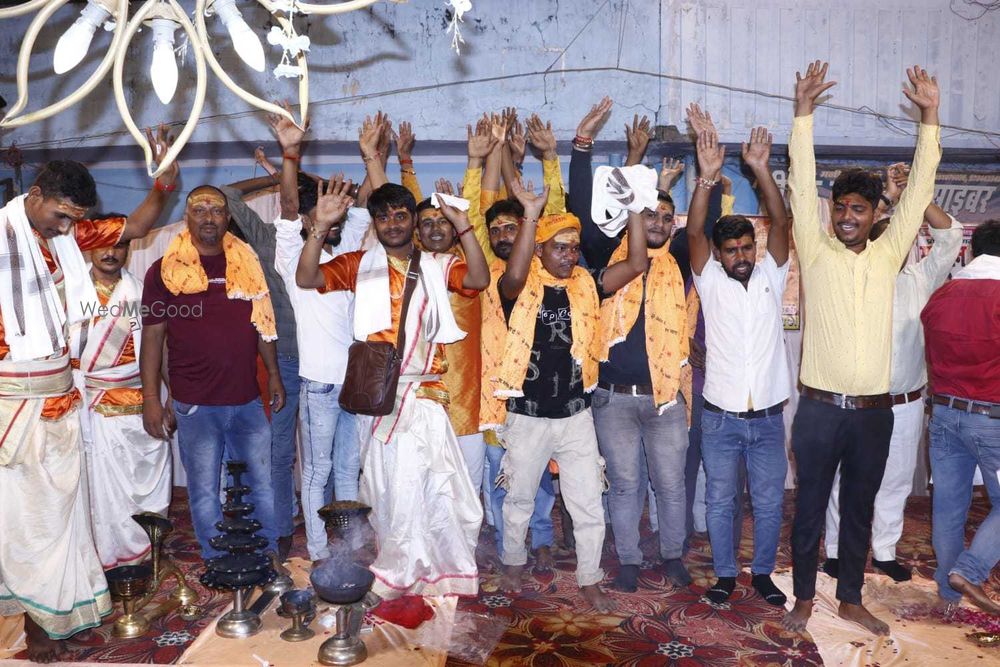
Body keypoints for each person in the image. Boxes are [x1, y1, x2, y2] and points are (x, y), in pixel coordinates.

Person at [0, 127, 178, 663]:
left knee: (66, 514)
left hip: (63, 396)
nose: (70, 227)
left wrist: (163, 174)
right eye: (61, 214)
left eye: (76, 218)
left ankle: (63, 608)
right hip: (16, 402)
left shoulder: (65, 238)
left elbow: (142, 223)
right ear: (34, 197)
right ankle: (34, 620)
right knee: (30, 517)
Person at [782, 61, 941, 636]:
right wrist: (803, 114)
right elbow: (800, 183)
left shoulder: (887, 254)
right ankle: (804, 597)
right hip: (820, 411)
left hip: (875, 416)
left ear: (877, 216)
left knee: (858, 511)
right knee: (807, 511)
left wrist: (930, 117)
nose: (847, 217)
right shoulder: (817, 252)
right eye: (840, 208)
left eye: (858, 209)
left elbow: (920, 187)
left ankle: (850, 597)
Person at [296, 181, 489, 598]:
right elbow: (307, 276)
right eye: (383, 216)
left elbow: (479, 277)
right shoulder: (357, 263)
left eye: (401, 215)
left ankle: (434, 568)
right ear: (375, 223)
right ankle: (401, 566)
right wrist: (320, 226)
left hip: (425, 398)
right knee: (391, 491)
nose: (392, 224)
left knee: (434, 488)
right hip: (379, 399)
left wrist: (465, 227)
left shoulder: (438, 263)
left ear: (413, 220)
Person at [488, 179, 648, 613]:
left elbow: (635, 263)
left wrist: (634, 208)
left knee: (587, 502)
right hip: (528, 415)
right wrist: (530, 213)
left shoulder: (586, 283)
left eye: (573, 248)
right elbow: (515, 274)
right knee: (519, 499)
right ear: (539, 248)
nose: (569, 255)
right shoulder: (518, 287)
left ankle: (590, 577)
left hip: (577, 416)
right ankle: (513, 561)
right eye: (559, 247)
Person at [569, 98, 692, 592]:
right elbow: (583, 205)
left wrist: (681, 186)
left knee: (670, 485)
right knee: (623, 485)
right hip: (613, 398)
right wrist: (583, 148)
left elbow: (692, 223)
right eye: (646, 215)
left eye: (663, 215)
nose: (653, 221)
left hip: (665, 400)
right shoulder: (607, 254)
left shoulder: (681, 257)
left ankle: (673, 556)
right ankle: (629, 562)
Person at [824, 173, 964, 582]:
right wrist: (885, 199)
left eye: (900, 243)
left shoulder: (919, 280)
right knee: (843, 479)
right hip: (855, 400)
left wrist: (916, 196)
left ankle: (884, 550)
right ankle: (834, 550)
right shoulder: (850, 273)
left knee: (896, 481)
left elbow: (951, 238)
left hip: (904, 403)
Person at [140, 185, 285, 561]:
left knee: (262, 485)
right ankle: (216, 560)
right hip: (195, 404)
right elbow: (153, 339)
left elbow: (262, 325)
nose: (208, 217)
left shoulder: (247, 263)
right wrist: (152, 400)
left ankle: (266, 553)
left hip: (247, 400)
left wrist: (274, 374)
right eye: (199, 209)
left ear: (228, 216)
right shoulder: (163, 271)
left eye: (216, 210)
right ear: (187, 218)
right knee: (205, 490)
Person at [688, 123, 791, 606]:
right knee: (720, 501)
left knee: (770, 503)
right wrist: (707, 179)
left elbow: (782, 221)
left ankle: (765, 574)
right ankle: (726, 575)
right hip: (720, 417)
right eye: (732, 250)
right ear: (719, 255)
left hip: (769, 417)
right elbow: (692, 229)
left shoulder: (774, 270)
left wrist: (760, 169)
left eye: (747, 247)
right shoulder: (709, 280)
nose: (742, 256)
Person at [268, 110, 373, 561]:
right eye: (320, 214)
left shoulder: (348, 253)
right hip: (318, 385)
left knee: (349, 470)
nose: (327, 220)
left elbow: (371, 204)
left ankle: (347, 552)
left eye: (333, 215)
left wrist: (372, 157)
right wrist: (290, 153)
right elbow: (289, 209)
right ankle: (316, 553)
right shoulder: (292, 258)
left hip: (356, 382)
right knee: (317, 473)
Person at [477, 115, 564, 569]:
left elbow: (555, 212)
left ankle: (544, 537)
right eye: (495, 231)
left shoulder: (546, 268)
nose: (502, 235)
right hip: (496, 395)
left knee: (542, 476)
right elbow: (482, 206)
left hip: (541, 393)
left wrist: (542, 160)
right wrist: (497, 153)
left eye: (511, 228)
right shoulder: (479, 272)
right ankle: (504, 540)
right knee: (500, 473)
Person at [71, 239, 171, 569]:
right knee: (97, 490)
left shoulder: (141, 292)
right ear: (88, 248)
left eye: (120, 246)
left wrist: (172, 396)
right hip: (87, 405)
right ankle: (104, 555)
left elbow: (162, 348)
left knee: (146, 478)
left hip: (140, 401)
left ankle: (142, 550)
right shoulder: (70, 292)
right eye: (102, 246)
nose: (111, 253)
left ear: (129, 251)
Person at [922, 219, 1000, 615]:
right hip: (993, 419)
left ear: (971, 252)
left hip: (945, 414)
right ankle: (968, 571)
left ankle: (949, 598)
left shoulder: (942, 296)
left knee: (949, 507)